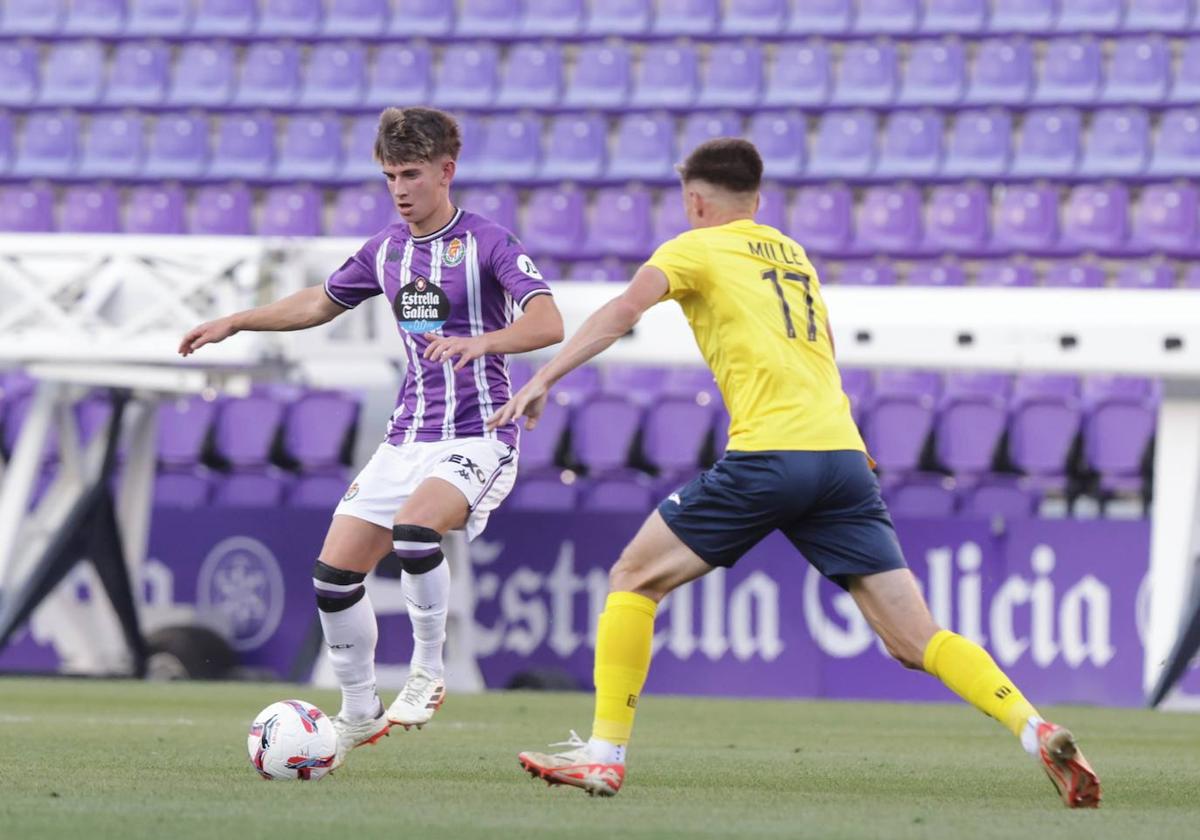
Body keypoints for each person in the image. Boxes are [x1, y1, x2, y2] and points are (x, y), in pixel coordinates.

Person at [488, 138, 1101, 808]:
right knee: (913, 638)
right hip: (842, 458)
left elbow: (622, 313)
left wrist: (544, 374)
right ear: (757, 198)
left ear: (695, 200)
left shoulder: (691, 247)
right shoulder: (792, 255)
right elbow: (824, 354)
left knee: (633, 577)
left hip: (771, 454)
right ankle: (1032, 727)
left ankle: (603, 757)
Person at [180, 107, 563, 769]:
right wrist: (238, 321)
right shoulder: (386, 250)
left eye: (411, 173)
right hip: (406, 436)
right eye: (389, 176)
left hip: (478, 433)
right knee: (333, 577)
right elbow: (318, 303)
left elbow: (549, 322)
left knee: (416, 532)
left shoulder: (488, 243)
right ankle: (359, 710)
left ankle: (426, 673)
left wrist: (483, 342)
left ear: (447, 170)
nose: (400, 188)